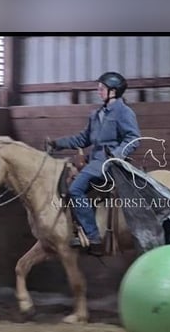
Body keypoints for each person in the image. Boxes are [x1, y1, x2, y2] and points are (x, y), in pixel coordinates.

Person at [46, 71, 141, 256]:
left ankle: (92, 234)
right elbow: (83, 139)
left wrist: (115, 155)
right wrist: (58, 143)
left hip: (109, 163)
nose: (99, 91)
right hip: (95, 161)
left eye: (102, 88)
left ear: (113, 91)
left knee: (75, 189)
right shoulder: (97, 114)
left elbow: (134, 138)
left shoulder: (124, 112)